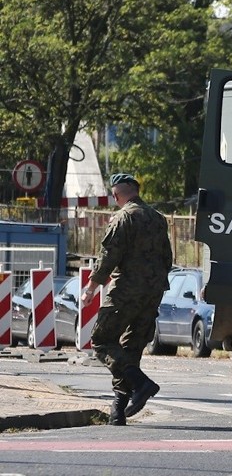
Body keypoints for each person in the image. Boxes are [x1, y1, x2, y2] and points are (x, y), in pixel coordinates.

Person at [80, 173, 172, 426]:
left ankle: (141, 383)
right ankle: (118, 411)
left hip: (126, 290)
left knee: (101, 339)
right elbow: (168, 259)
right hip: (153, 292)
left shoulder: (123, 217)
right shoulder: (158, 218)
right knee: (129, 348)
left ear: (116, 195)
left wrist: (91, 288)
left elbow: (109, 255)